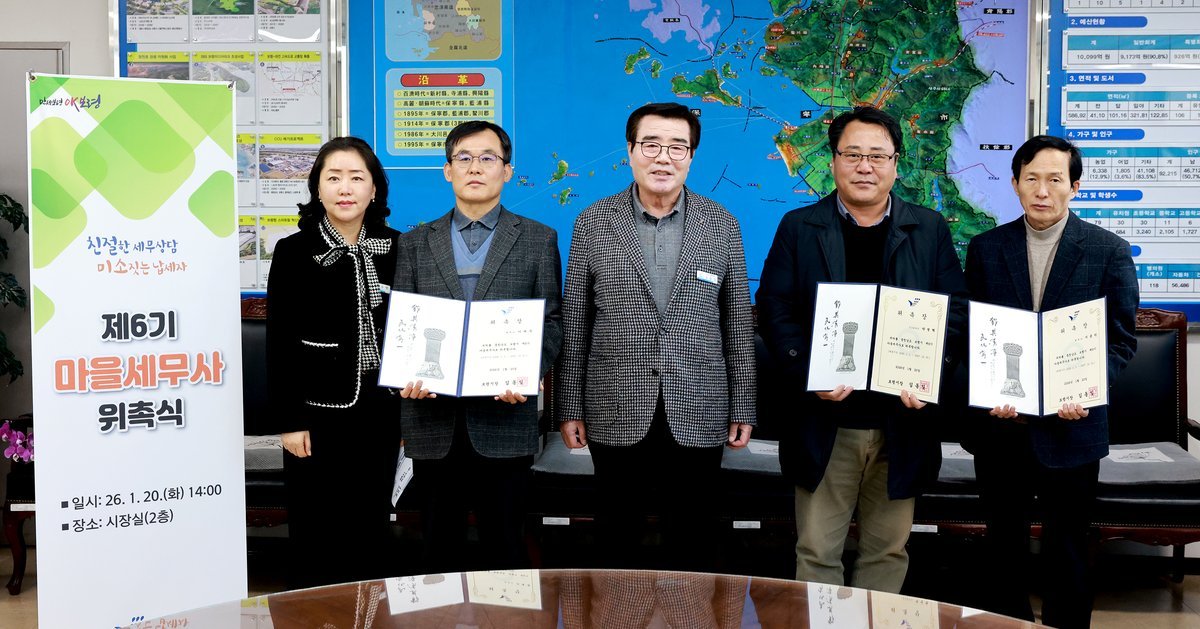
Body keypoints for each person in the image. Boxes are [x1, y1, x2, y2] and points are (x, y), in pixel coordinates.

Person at [756, 106, 968, 592]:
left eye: (877, 155)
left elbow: (955, 311)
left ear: (896, 163)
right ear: (833, 160)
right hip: (825, 419)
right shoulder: (799, 226)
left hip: (902, 420)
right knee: (816, 550)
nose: (864, 166)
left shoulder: (929, 228)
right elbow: (775, 308)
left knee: (887, 550)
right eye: (852, 154)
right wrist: (809, 373)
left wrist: (929, 377)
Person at [556, 102, 756, 571]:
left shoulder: (721, 223)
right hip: (615, 401)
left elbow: (737, 325)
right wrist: (568, 406)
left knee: (694, 539)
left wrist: (744, 405)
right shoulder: (593, 221)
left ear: (691, 156)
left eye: (677, 147)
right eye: (651, 145)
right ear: (630, 151)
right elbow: (576, 321)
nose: (663, 157)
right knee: (615, 536)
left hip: (700, 402)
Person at [964, 135, 1138, 628]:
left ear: (1074, 186)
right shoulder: (985, 249)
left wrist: (1087, 389)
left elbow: (1121, 340)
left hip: (1074, 427)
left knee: (1069, 548)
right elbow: (971, 332)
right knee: (1004, 545)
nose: (1043, 191)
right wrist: (986, 390)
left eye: (1055, 180)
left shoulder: (1108, 251)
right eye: (1032, 179)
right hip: (1002, 426)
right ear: (1015, 184)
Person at [392, 120, 563, 573]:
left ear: (507, 171)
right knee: (437, 552)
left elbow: (551, 322)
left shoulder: (538, 239)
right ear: (447, 170)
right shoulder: (414, 243)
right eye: (463, 158)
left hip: (505, 418)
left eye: (488, 158)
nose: (475, 168)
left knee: (504, 551)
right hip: (432, 419)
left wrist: (525, 373)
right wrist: (406, 374)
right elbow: (403, 323)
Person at [266, 136, 400, 588]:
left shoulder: (399, 247)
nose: (345, 188)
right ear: (318, 188)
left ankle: (369, 614)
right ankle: (315, 615)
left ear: (374, 189)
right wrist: (289, 421)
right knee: (315, 530)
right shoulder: (293, 251)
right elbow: (280, 341)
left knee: (370, 526)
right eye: (334, 177)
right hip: (314, 414)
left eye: (357, 178)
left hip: (382, 411)